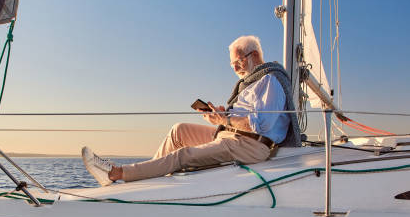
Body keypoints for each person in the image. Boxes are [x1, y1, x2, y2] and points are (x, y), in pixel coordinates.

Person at [81, 35, 301, 186]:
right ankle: (147, 177)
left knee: (183, 155)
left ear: (253, 55)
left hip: (251, 145)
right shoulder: (250, 83)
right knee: (179, 131)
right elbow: (247, 118)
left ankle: (115, 173)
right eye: (231, 64)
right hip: (233, 135)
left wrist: (226, 120)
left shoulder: (269, 80)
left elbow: (261, 125)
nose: (234, 68)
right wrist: (225, 117)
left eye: (238, 61)